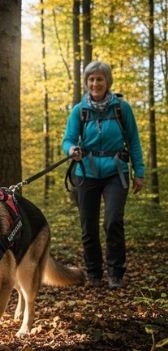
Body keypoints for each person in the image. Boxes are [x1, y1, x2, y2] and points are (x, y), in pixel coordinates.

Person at [62, 61, 145, 289]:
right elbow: (67, 140)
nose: (95, 83)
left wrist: (140, 172)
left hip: (115, 173)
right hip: (85, 172)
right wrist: (71, 150)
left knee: (113, 222)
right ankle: (94, 273)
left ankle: (116, 273)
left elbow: (134, 141)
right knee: (88, 227)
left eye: (99, 79)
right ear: (87, 82)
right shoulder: (80, 110)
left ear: (107, 81)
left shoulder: (121, 108)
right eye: (91, 79)